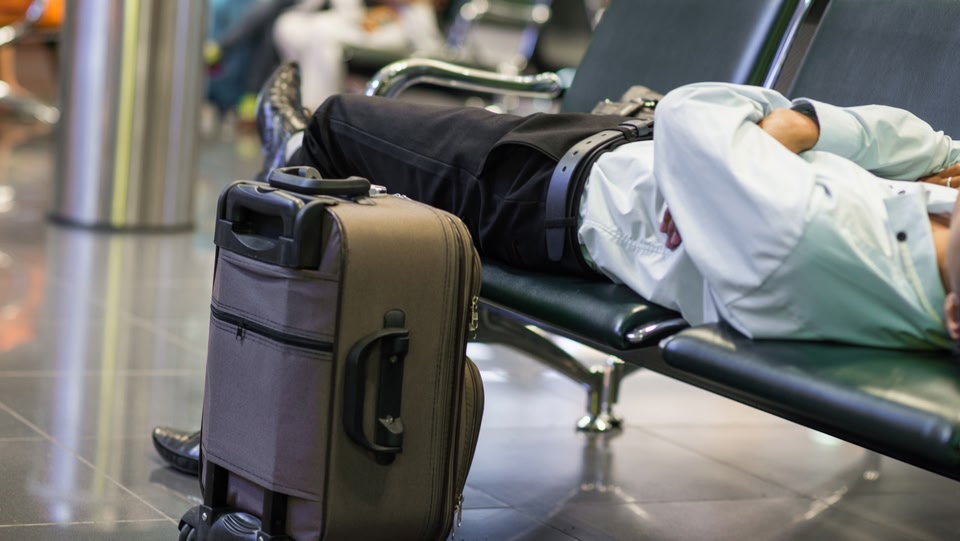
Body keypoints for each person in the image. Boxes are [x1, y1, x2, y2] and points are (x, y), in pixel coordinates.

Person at [153, 62, 960, 475]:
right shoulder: (916, 226)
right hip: (601, 149)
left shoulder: (810, 240)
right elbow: (928, 141)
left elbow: (695, 118)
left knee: (332, 131)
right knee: (337, 175)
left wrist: (798, 129)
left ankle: (237, 439)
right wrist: (756, 157)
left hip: (542, 190)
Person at [273, 0, 446, 109]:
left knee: (322, 37)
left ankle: (317, 111)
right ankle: (294, 103)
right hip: (357, 16)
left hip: (398, 24)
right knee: (288, 25)